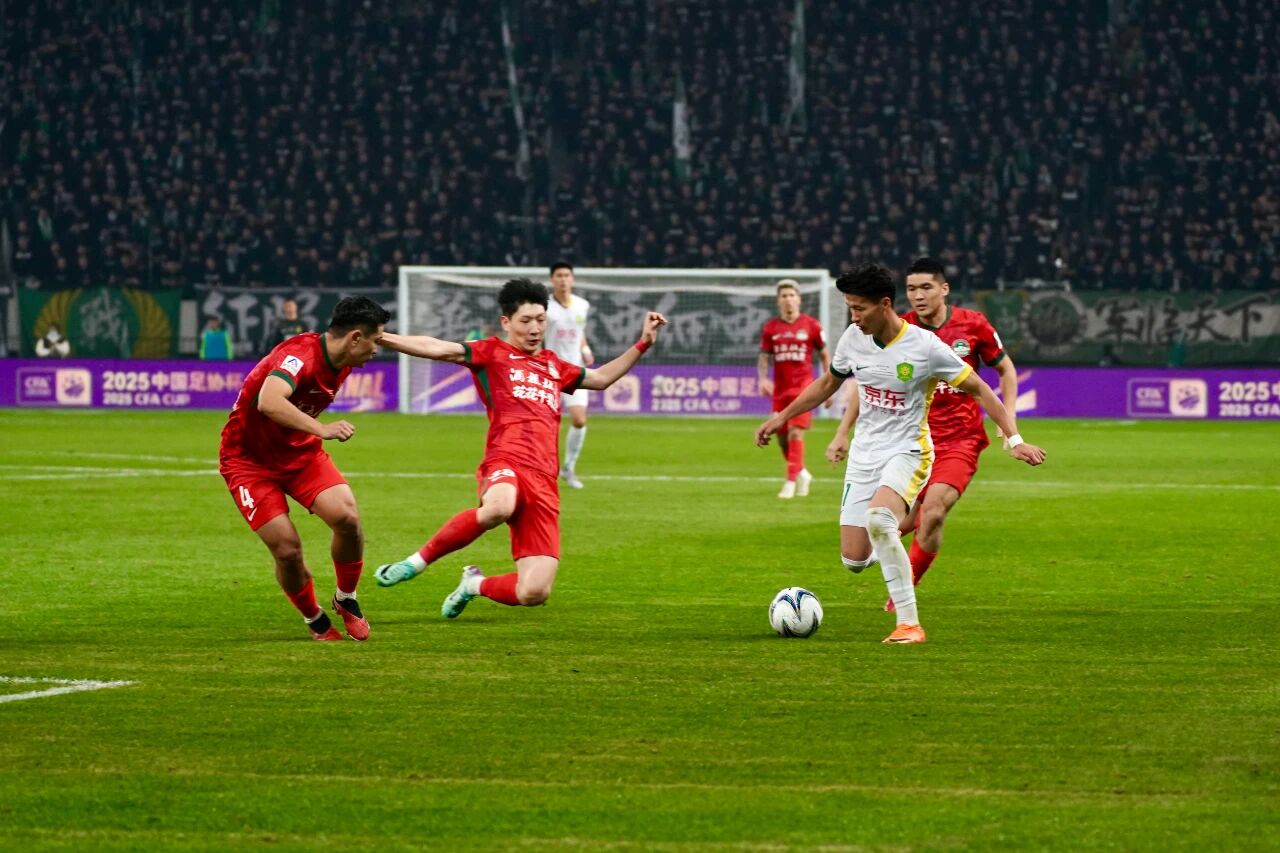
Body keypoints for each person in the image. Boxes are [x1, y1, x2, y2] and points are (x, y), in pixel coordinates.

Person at [756, 263, 1045, 645]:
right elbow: (828, 383)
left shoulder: (925, 347)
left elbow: (979, 387)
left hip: (909, 450)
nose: (854, 317)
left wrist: (1014, 438)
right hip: (865, 454)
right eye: (850, 308)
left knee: (879, 519)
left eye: (859, 309)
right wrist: (782, 417)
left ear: (884, 305)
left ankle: (909, 624)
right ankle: (891, 542)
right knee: (854, 560)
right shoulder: (854, 338)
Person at [374, 277, 667, 619]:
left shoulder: (555, 365)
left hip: (544, 479)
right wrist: (382, 338)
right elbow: (438, 347)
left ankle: (473, 585)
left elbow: (600, 379)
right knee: (498, 507)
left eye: (541, 320)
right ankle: (415, 563)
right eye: (526, 320)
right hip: (506, 459)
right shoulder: (491, 352)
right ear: (506, 322)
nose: (535, 328)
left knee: (534, 592)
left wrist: (643, 343)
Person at [827, 257, 1021, 611]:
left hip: (959, 440)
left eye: (926, 287)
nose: (918, 295)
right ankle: (885, 558)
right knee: (877, 534)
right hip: (907, 439)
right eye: (912, 289)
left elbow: (1005, 371)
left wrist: (1010, 427)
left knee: (932, 512)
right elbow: (869, 387)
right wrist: (843, 431)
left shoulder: (972, 325)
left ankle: (903, 594)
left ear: (944, 289)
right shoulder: (892, 328)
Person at [218, 296, 390, 641]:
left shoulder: (343, 359)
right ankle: (315, 619)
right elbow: (269, 401)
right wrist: (321, 429)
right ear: (355, 337)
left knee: (347, 518)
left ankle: (346, 598)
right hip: (249, 461)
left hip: (299, 454)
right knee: (287, 550)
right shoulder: (299, 355)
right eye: (376, 341)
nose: (378, 350)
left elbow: (367, 338)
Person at [758, 279, 830, 498]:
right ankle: (802, 473)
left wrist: (829, 385)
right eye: (784, 296)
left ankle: (790, 483)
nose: (788, 299)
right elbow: (764, 356)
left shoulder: (812, 325)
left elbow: (824, 354)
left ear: (799, 299)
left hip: (803, 390)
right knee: (781, 438)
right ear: (778, 301)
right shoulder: (771, 327)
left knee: (795, 432)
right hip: (780, 391)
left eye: (791, 295)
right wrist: (763, 378)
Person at [544, 262, 594, 488]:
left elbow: (579, 331)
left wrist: (585, 348)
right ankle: (542, 469)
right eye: (559, 275)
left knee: (579, 420)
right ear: (552, 279)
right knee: (545, 424)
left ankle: (568, 468)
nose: (563, 279)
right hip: (549, 371)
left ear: (572, 279)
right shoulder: (544, 307)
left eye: (567, 275)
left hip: (574, 370)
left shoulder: (582, 305)